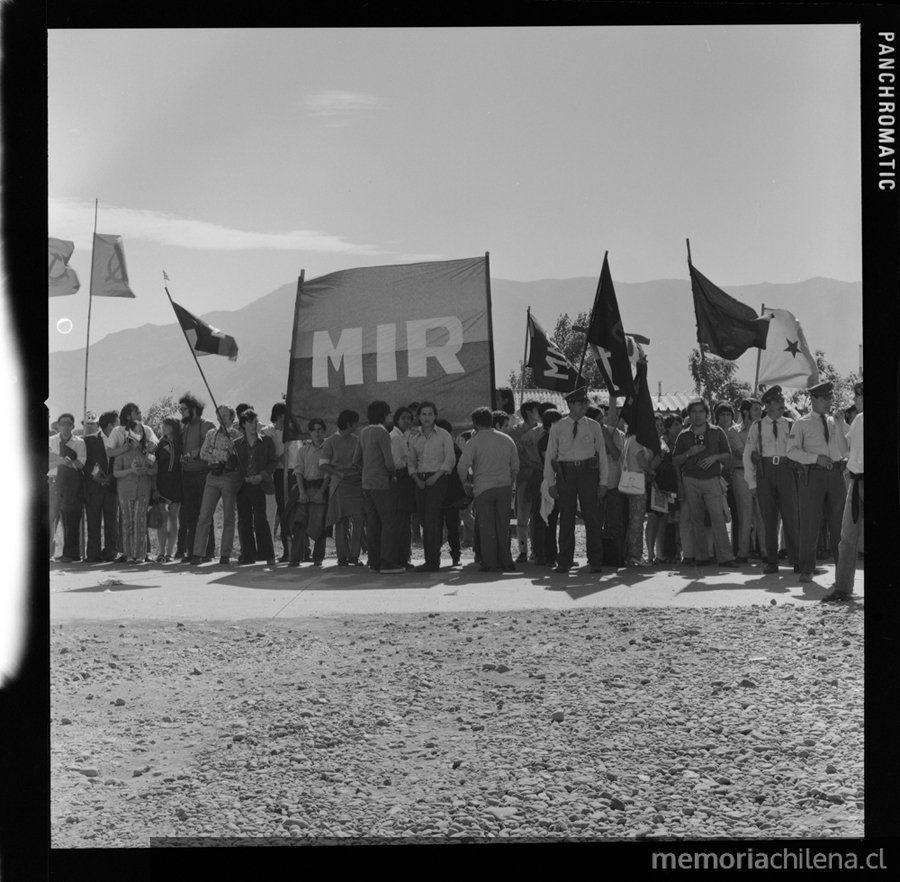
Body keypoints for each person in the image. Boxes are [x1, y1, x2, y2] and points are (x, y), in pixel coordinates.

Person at [786, 381, 850, 583]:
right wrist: (815, 458)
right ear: (813, 400)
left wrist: (840, 425)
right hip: (813, 474)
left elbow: (848, 444)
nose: (828, 402)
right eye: (824, 398)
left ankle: (842, 570)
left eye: (830, 398)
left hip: (836, 475)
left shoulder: (837, 421)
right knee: (810, 522)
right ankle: (806, 568)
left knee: (839, 523)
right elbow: (791, 451)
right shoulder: (802, 423)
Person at [543, 387, 608, 574]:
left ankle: (595, 560)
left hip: (588, 472)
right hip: (566, 473)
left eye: (585, 403)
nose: (584, 406)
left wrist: (603, 481)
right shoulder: (558, 427)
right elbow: (550, 456)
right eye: (580, 403)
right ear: (570, 404)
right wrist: (551, 483)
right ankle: (564, 560)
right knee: (566, 518)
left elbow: (602, 455)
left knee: (592, 517)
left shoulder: (593, 426)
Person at [672, 399, 740, 569]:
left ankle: (725, 557)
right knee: (696, 520)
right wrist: (689, 453)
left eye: (701, 411)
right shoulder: (684, 435)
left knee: (718, 518)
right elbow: (675, 460)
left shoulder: (717, 432)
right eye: (693, 412)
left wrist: (714, 458)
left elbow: (727, 455)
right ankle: (701, 557)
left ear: (707, 414)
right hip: (690, 480)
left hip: (712, 479)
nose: (697, 415)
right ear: (690, 415)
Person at [742, 385, 801, 574]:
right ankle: (771, 560)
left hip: (786, 470)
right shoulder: (757, 426)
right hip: (765, 471)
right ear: (767, 405)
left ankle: (796, 560)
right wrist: (751, 483)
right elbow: (748, 455)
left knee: (791, 516)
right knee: (768, 518)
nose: (781, 404)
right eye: (776, 401)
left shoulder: (791, 424)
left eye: (782, 401)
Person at [457, 406, 519, 573]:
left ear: (475, 423)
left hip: (483, 489)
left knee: (486, 527)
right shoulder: (506, 439)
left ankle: (490, 562)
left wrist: (465, 483)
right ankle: (506, 561)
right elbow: (515, 466)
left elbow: (462, 466)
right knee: (503, 525)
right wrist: (509, 482)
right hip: (504, 487)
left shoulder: (474, 442)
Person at [353, 401, 407, 575]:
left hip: (367, 483)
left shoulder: (363, 432)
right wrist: (392, 474)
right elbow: (389, 462)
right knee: (389, 523)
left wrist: (368, 469)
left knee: (373, 523)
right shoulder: (383, 433)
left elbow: (356, 460)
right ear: (384, 415)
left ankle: (375, 562)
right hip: (383, 483)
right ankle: (388, 562)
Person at [822, 382, 863, 602]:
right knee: (846, 538)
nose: (854, 401)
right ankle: (843, 588)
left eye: (857, 396)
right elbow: (844, 451)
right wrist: (838, 425)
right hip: (856, 483)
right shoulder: (857, 420)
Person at [190, 404, 242, 566]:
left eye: (225, 415)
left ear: (232, 417)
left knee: (228, 517)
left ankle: (225, 554)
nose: (221, 418)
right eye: (219, 415)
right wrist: (223, 454)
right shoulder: (211, 433)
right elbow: (203, 453)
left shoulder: (237, 435)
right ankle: (198, 553)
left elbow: (237, 458)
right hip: (212, 476)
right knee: (204, 516)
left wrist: (224, 453)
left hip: (229, 477)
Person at [408, 401, 456, 572]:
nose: (427, 418)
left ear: (435, 416)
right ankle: (430, 559)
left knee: (431, 519)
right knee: (423, 519)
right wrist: (415, 478)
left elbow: (450, 459)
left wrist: (436, 477)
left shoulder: (443, 435)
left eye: (430, 414)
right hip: (420, 481)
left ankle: (433, 561)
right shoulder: (414, 439)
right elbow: (411, 462)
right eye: (423, 414)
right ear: (418, 417)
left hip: (438, 478)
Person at [110, 404, 158, 565]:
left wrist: (146, 471)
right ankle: (128, 554)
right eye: (135, 431)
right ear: (129, 433)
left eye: (140, 431)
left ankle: (141, 555)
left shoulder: (147, 452)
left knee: (140, 523)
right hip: (125, 491)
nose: (138, 433)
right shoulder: (123, 451)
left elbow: (155, 469)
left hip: (143, 491)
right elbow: (116, 473)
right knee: (128, 523)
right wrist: (130, 471)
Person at [320, 410, 365, 567]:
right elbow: (323, 463)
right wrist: (338, 473)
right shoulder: (330, 441)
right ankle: (342, 556)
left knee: (360, 518)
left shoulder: (358, 440)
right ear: (348, 424)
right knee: (341, 521)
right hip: (339, 484)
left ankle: (354, 555)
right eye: (355, 423)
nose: (357, 426)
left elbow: (362, 461)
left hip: (356, 483)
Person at [234, 408, 277, 566]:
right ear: (243, 425)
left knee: (261, 520)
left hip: (260, 485)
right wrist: (229, 454)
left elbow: (273, 462)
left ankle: (268, 555)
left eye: (256, 422)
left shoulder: (266, 442)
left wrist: (262, 476)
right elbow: (233, 465)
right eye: (251, 422)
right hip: (243, 486)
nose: (254, 425)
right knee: (244, 521)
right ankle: (248, 556)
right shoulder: (236, 444)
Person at [177, 393, 216, 563]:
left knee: (205, 514)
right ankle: (192, 551)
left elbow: (214, 446)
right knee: (190, 515)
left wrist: (197, 453)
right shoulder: (183, 428)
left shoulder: (208, 425)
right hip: (187, 476)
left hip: (204, 474)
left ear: (194, 409)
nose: (182, 412)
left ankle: (207, 552)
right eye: (181, 409)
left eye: (184, 409)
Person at [288, 418, 331, 566]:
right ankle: (295, 557)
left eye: (320, 429)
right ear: (310, 432)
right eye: (314, 430)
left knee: (320, 524)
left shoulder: (328, 448)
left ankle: (318, 557)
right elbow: (298, 471)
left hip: (321, 489)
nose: (317, 433)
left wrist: (321, 492)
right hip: (304, 489)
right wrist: (301, 492)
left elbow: (328, 473)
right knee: (299, 523)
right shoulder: (303, 450)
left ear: (324, 431)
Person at [49, 413, 86, 562]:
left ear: (73, 426)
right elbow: (46, 462)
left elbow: (81, 462)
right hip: (53, 482)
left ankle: (69, 554)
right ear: (57, 425)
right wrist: (62, 461)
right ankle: (48, 553)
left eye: (68, 424)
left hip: (72, 484)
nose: (65, 426)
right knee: (50, 519)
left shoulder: (79, 442)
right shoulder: (51, 441)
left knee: (70, 519)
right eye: (62, 424)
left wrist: (68, 462)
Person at [81, 411, 118, 563]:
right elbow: (85, 463)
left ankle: (111, 553)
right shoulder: (88, 441)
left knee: (111, 523)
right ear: (110, 425)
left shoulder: (119, 440)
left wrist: (112, 477)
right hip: (94, 488)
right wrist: (97, 478)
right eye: (117, 423)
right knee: (93, 522)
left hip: (112, 488)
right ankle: (93, 554)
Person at [733, 398, 767, 562]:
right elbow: (741, 453)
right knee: (745, 515)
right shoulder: (733, 432)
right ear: (746, 412)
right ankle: (743, 552)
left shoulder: (765, 429)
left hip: (762, 474)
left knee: (763, 515)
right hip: (742, 474)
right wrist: (757, 455)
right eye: (755, 409)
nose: (760, 412)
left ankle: (766, 551)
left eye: (760, 409)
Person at [512, 400, 542, 564]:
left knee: (540, 517)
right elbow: (514, 455)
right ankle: (523, 550)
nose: (540, 413)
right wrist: (532, 465)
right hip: (524, 477)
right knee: (522, 518)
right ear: (530, 412)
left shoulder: (545, 429)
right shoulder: (515, 431)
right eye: (538, 410)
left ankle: (538, 550)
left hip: (542, 477)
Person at [598, 400, 627, 567]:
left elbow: (616, 454)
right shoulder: (586, 434)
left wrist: (605, 435)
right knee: (597, 523)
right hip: (597, 485)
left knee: (615, 523)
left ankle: (616, 557)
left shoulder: (616, 434)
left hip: (614, 484)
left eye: (602, 418)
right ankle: (598, 556)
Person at [532, 408, 562, 567]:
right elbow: (551, 461)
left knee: (563, 520)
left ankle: (560, 555)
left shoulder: (562, 438)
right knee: (547, 520)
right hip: (549, 482)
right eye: (557, 422)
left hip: (563, 482)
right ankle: (546, 555)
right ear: (550, 424)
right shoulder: (544, 440)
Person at [436, 418, 467, 566]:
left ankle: (435, 556)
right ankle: (456, 557)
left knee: (437, 527)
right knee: (453, 528)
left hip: (437, 493)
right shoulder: (455, 449)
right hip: (452, 496)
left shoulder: (434, 448)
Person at [153, 415, 184, 562]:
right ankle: (161, 551)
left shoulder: (181, 443)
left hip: (177, 485)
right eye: (163, 425)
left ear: (174, 427)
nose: (164, 427)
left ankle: (170, 552)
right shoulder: (159, 444)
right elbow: (154, 466)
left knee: (173, 519)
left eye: (167, 425)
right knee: (162, 520)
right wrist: (154, 487)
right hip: (162, 485)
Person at [715, 402, 742, 555]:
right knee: (718, 515)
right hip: (718, 479)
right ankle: (719, 549)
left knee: (737, 514)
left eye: (728, 414)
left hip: (735, 477)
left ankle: (737, 548)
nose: (725, 418)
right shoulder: (712, 432)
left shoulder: (737, 432)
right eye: (722, 415)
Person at [390, 406, 415, 568]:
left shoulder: (407, 436)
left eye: (409, 418)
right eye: (403, 418)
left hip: (406, 479)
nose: (406, 421)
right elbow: (396, 462)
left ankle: (403, 558)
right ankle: (399, 558)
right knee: (400, 521)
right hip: (400, 479)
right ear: (396, 419)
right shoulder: (395, 437)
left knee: (405, 521)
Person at [264, 403, 288, 548]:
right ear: (279, 415)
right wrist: (278, 458)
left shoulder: (291, 432)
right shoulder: (267, 431)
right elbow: (266, 453)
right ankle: (269, 546)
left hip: (290, 472)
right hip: (274, 473)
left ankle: (293, 547)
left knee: (289, 510)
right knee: (275, 511)